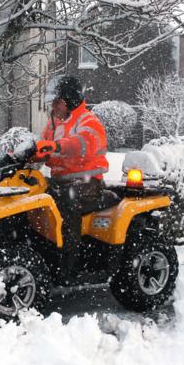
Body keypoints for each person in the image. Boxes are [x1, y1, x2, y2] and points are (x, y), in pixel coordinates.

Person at [33, 76, 109, 275]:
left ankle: (67, 263)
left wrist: (59, 145)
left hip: (88, 184)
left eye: (57, 102)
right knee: (34, 197)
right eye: (53, 102)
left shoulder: (88, 120)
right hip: (61, 181)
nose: (53, 107)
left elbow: (82, 143)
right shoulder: (54, 124)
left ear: (70, 100)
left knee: (64, 204)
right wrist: (28, 153)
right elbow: (43, 145)